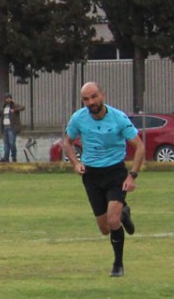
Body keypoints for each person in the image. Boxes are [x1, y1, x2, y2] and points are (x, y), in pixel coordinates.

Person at [60, 81, 144, 277]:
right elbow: (68, 142)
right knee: (105, 228)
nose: (91, 102)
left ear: (102, 95)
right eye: (86, 99)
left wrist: (132, 176)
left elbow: (139, 146)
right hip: (91, 175)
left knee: (112, 220)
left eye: (94, 97)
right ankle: (124, 213)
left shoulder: (118, 118)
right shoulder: (78, 119)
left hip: (115, 173)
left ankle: (118, 265)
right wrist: (75, 163)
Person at [0, 93, 25, 162]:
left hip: (12, 128)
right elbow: (0, 114)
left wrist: (15, 110)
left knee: (12, 143)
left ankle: (14, 157)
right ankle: (6, 158)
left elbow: (23, 107)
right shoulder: (4, 107)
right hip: (5, 128)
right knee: (6, 144)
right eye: (7, 98)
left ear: (11, 99)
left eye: (9, 98)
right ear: (5, 99)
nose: (8, 99)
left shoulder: (14, 106)